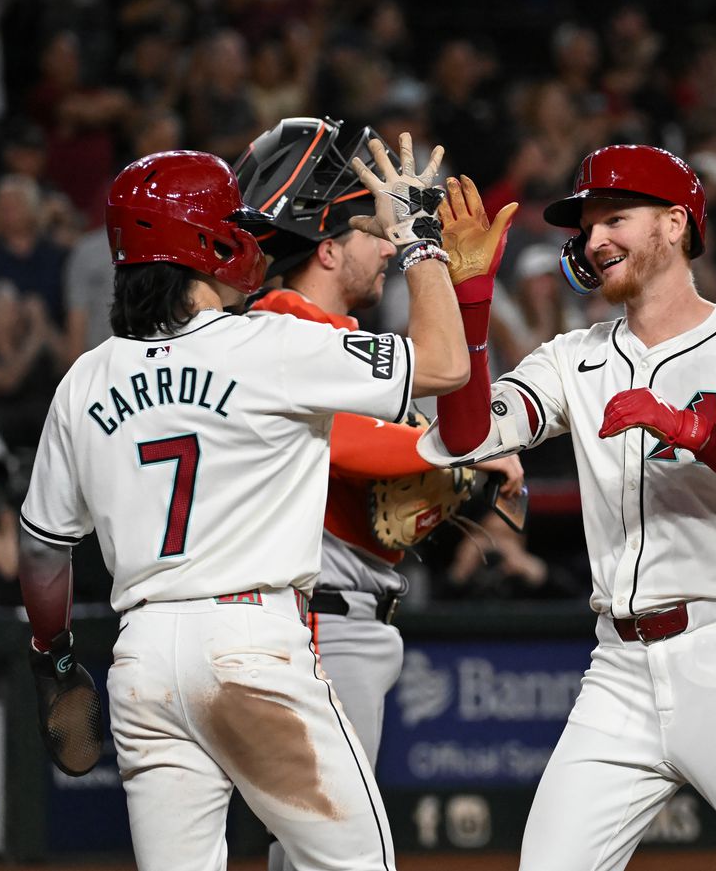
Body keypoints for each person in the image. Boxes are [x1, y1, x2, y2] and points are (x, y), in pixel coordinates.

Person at [17, 141, 468, 870]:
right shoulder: (270, 344)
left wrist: (53, 655)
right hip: (250, 643)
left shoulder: (84, 379)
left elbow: (42, 547)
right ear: (209, 241)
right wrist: (417, 237)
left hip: (141, 660)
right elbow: (445, 364)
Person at [416, 143, 716, 870]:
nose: (593, 240)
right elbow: (466, 434)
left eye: (615, 217)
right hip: (617, 668)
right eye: (586, 227)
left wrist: (696, 433)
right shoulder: (572, 357)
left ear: (676, 224)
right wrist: (469, 297)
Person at [232, 116, 522, 871]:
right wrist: (453, 456)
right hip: (316, 616)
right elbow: (351, 445)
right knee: (344, 848)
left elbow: (448, 401)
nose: (388, 244)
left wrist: (457, 450)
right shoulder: (280, 321)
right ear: (326, 249)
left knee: (313, 847)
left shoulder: (331, 339)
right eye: (371, 231)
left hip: (348, 612)